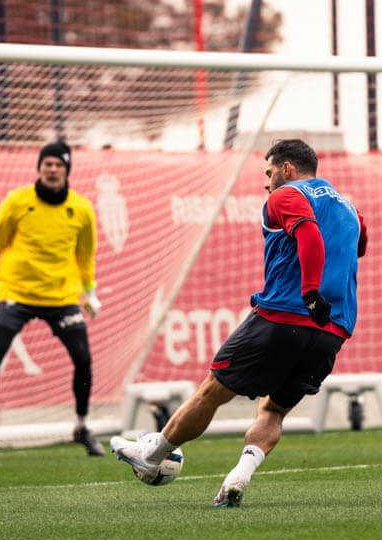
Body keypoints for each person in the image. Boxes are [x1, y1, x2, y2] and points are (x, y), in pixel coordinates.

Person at [110, 139, 367, 507]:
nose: (266, 182)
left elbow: (309, 233)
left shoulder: (287, 194)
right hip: (331, 332)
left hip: (284, 316)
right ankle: (238, 477)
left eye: (269, 172)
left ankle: (152, 454)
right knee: (273, 410)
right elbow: (359, 245)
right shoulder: (349, 208)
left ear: (287, 169)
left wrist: (310, 292)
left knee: (212, 391)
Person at [0, 140, 106, 459]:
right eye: (47, 164)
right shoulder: (18, 201)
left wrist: (90, 292)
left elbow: (85, 255)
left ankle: (81, 426)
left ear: (67, 170)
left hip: (61, 296)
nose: (52, 170)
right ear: (39, 168)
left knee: (83, 359)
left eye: (58, 165)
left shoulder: (82, 208)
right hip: (17, 293)